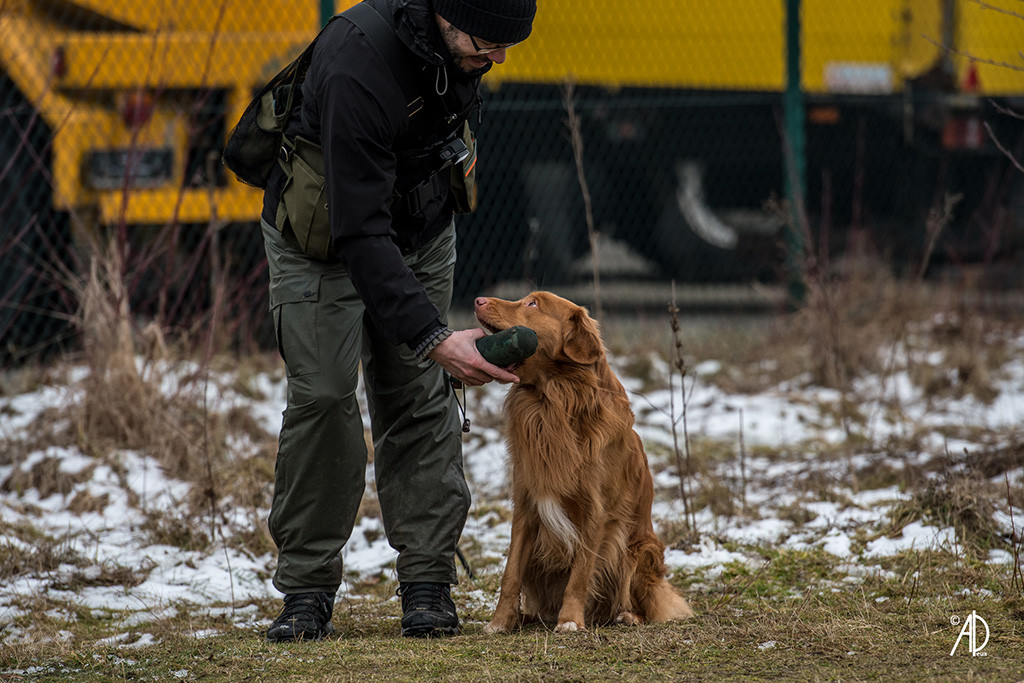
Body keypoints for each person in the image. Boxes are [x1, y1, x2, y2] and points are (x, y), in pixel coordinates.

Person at [260, 0, 536, 641]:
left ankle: (428, 583)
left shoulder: (461, 47)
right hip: (322, 242)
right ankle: (305, 590)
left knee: (416, 394)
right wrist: (435, 337)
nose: (497, 59)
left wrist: (426, 347)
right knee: (325, 395)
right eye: (489, 42)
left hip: (421, 231)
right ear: (447, 13)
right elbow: (359, 232)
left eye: (508, 46)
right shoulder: (359, 60)